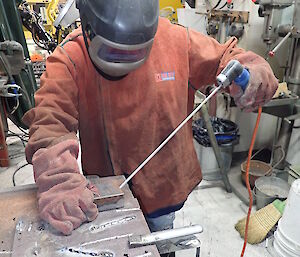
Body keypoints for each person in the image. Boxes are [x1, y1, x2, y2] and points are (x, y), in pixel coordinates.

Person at [23, 0, 278, 238]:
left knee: (158, 242)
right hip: (110, 194)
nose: (126, 60)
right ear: (89, 27)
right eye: (113, 51)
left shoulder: (177, 41)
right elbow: (49, 122)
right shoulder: (70, 58)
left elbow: (228, 57)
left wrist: (253, 70)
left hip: (164, 189)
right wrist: (60, 180)